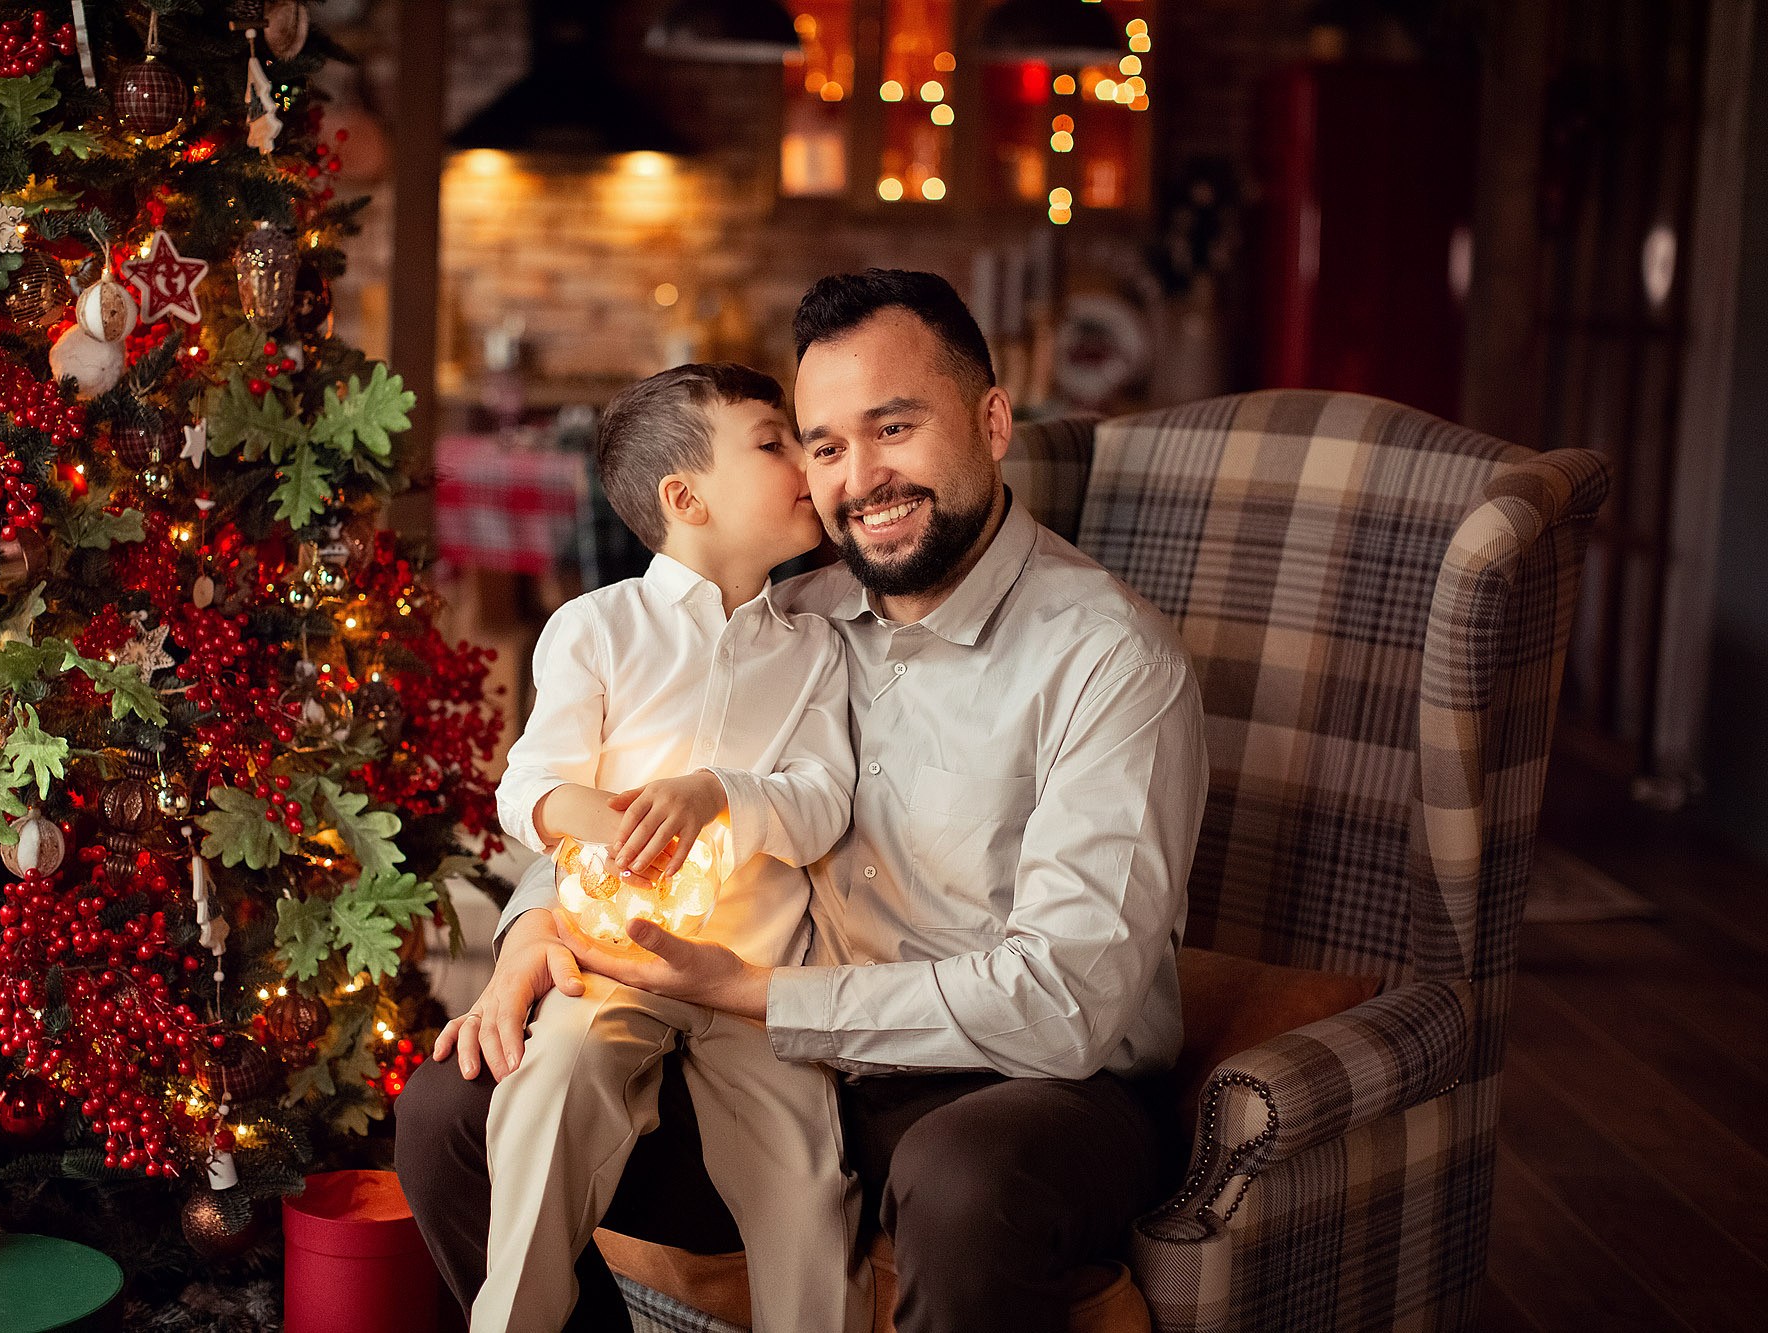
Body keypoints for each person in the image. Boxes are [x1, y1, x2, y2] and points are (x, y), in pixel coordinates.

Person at [396, 270, 1208, 1333]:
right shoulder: (790, 615)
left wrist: (761, 994)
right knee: (450, 1110)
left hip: (1020, 1078)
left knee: (963, 1183)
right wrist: (530, 926)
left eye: (895, 427)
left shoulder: (1107, 660)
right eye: (819, 444)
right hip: (787, 1052)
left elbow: (1063, 1005)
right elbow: (629, 790)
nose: (856, 477)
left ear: (991, 420)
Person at [450, 361, 871, 1333]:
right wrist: (602, 823)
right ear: (684, 498)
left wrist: (715, 797)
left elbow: (819, 806)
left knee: (807, 1193)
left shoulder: (814, 649)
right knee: (547, 1087)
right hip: (612, 961)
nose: (805, 459)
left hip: (750, 981)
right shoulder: (595, 630)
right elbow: (527, 786)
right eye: (773, 443)